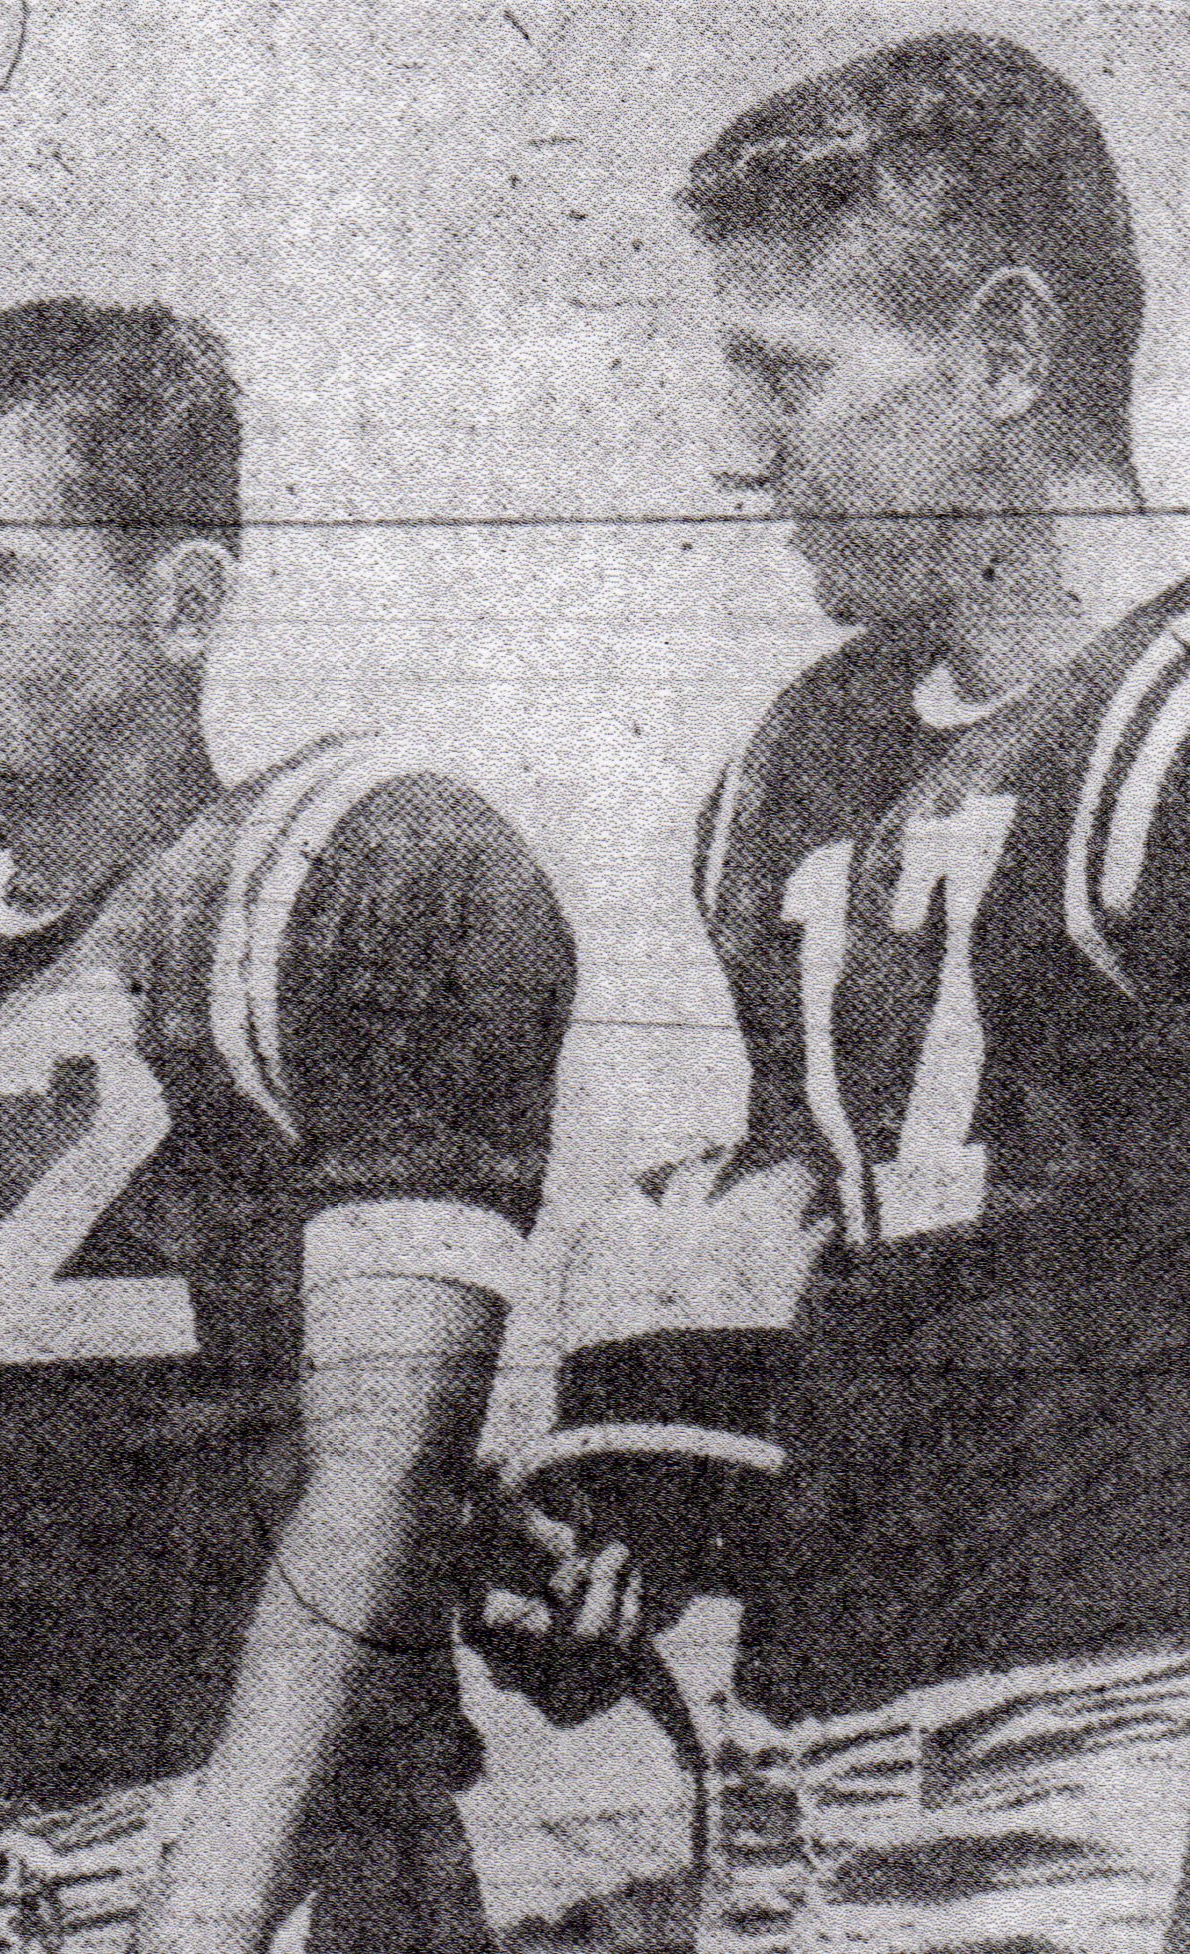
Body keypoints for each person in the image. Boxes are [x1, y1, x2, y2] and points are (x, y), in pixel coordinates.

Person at [474, 33, 1190, 1954]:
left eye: (786, 374)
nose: (738, 449)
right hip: (794, 1779)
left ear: (1007, 349)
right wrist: (640, 1509)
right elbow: (883, 1252)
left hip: (1111, 1762)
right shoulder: (794, 770)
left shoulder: (1164, 726)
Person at [0, 298, 575, 1954]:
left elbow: (378, 1467)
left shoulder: (342, 870)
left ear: (181, 599)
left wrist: (215, 1892)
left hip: (251, 1849)